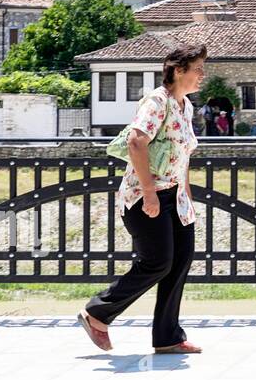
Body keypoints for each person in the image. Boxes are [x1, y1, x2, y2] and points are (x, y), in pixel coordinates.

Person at [77, 44, 206, 354]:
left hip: (175, 199)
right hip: (146, 196)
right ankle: (98, 311)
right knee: (158, 262)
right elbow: (136, 142)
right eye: (198, 69)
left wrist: (186, 196)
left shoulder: (185, 105)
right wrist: (150, 193)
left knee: (179, 261)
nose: (203, 75)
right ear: (178, 71)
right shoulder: (156, 101)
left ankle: (168, 336)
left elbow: (181, 154)